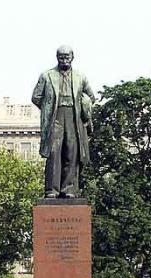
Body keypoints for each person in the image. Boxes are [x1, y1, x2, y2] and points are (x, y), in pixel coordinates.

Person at [32, 45, 96, 199]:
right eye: (61, 57)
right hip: (55, 116)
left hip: (74, 116)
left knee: (71, 152)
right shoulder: (47, 76)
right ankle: (51, 190)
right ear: (57, 57)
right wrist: (48, 107)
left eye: (67, 56)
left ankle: (69, 189)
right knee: (54, 152)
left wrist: (84, 105)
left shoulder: (81, 77)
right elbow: (36, 97)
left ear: (72, 57)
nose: (64, 59)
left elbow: (91, 96)